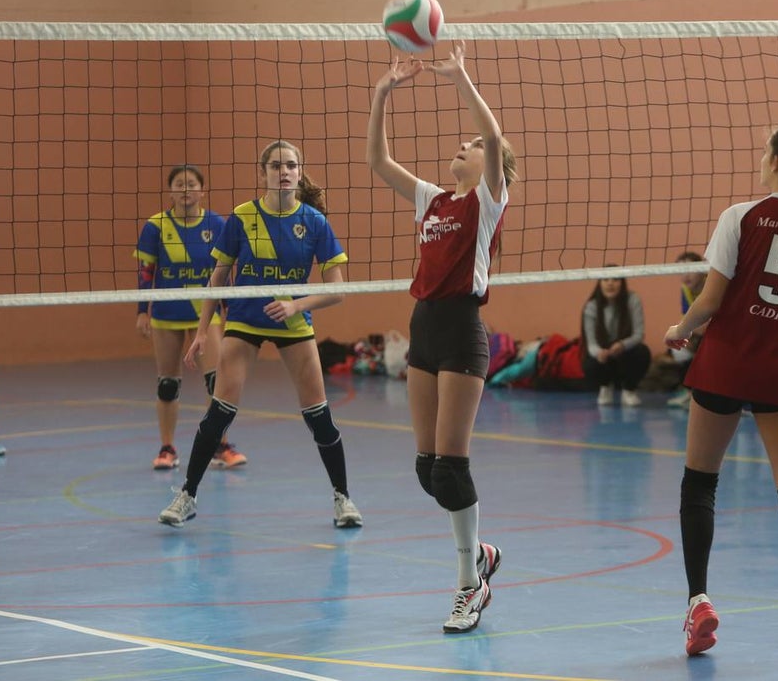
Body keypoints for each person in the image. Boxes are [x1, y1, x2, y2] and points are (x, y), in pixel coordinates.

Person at [663, 125, 778, 657]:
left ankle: (699, 603)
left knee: (699, 484)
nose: (761, 160)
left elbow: (711, 299)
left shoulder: (741, 216)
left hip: (724, 365)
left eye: (765, 152)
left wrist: (680, 330)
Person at [367, 42, 517, 633]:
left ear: (494, 166)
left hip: (461, 329)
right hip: (423, 327)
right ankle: (481, 552)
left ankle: (468, 585)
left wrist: (462, 80)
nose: (467, 144)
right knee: (428, 470)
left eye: (475, 146)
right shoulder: (433, 200)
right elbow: (378, 162)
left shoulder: (488, 200)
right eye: (467, 142)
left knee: (452, 468)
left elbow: (495, 137)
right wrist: (384, 92)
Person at [158, 140, 361, 530]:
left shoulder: (315, 223)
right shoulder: (242, 217)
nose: (283, 172)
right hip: (245, 321)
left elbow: (337, 290)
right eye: (275, 166)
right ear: (263, 172)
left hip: (293, 322)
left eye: (290, 165)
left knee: (319, 416)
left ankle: (343, 499)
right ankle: (187, 496)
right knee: (220, 411)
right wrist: (203, 331)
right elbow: (217, 278)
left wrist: (296, 306)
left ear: (299, 173)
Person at [135, 164, 247, 471]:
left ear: (202, 190)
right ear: (170, 191)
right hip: (167, 312)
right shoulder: (155, 226)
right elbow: (146, 271)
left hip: (206, 314)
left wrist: (231, 308)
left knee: (216, 381)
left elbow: (224, 271)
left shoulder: (217, 224)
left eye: (191, 184)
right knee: (168, 384)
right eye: (179, 184)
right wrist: (142, 311)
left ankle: (219, 446)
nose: (185, 190)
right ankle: (167, 448)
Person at [582, 274, 651, 407]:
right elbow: (591, 344)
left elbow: (638, 334)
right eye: (605, 279)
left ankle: (629, 390)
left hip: (625, 351)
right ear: (599, 283)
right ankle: (604, 387)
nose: (610, 283)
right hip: (604, 353)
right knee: (588, 361)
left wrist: (622, 345)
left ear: (622, 283)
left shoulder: (633, 300)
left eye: (615, 279)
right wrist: (599, 353)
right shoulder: (591, 306)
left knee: (642, 352)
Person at [666, 251, 707, 409]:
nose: (685, 276)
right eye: (681, 271)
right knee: (679, 349)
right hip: (700, 333)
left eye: (689, 269)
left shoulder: (712, 284)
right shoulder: (685, 290)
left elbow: (711, 323)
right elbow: (686, 318)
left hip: (723, 333)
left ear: (702, 270)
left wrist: (688, 330)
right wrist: (686, 334)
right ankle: (690, 394)